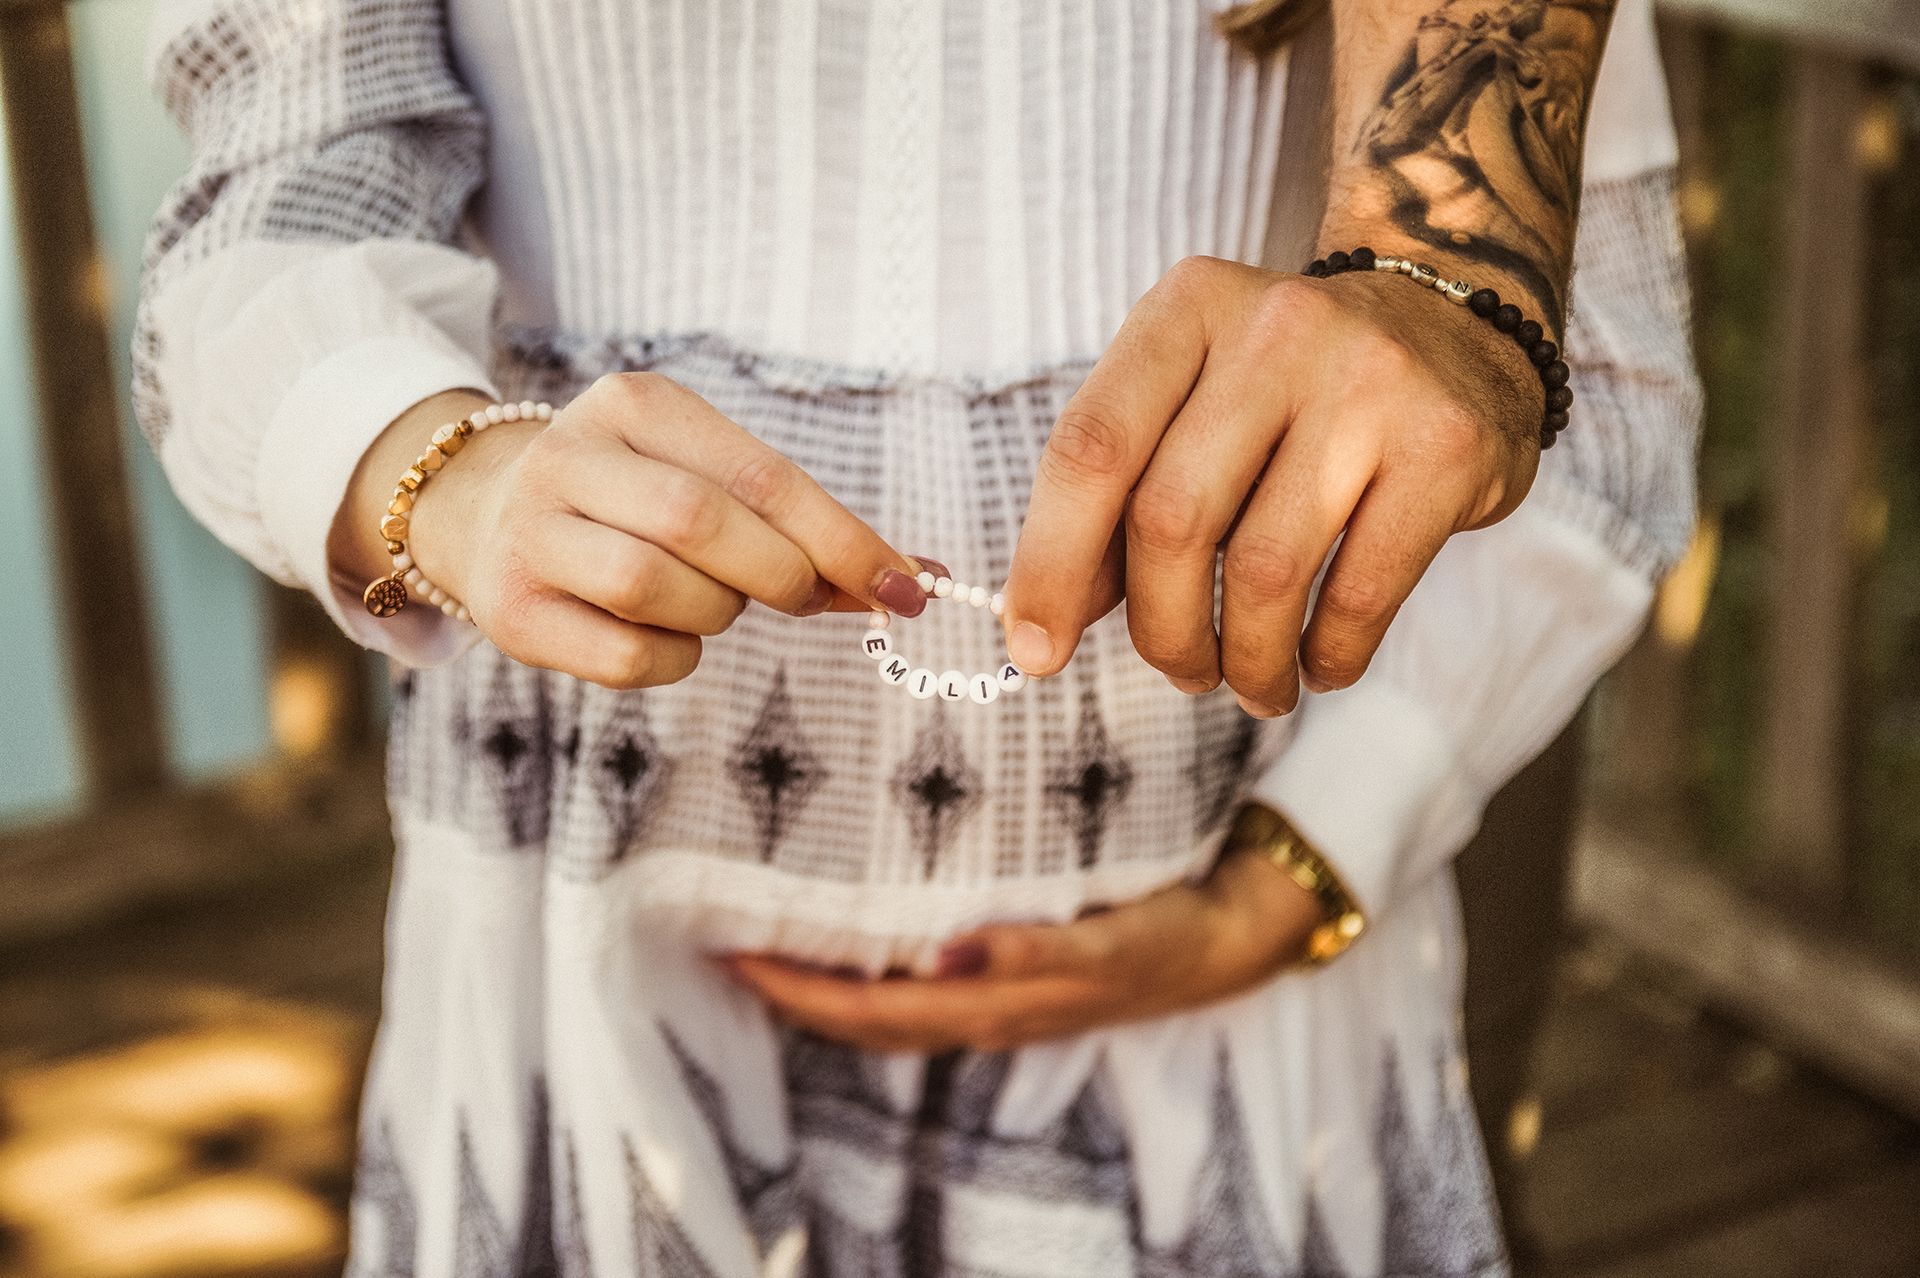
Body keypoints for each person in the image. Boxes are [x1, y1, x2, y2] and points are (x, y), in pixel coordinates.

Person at [136, 0, 1698, 1272]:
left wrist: (1309, 862)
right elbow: (252, 234)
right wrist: (435, 471)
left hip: (1221, 1046)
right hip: (598, 1010)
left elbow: (1591, 403)